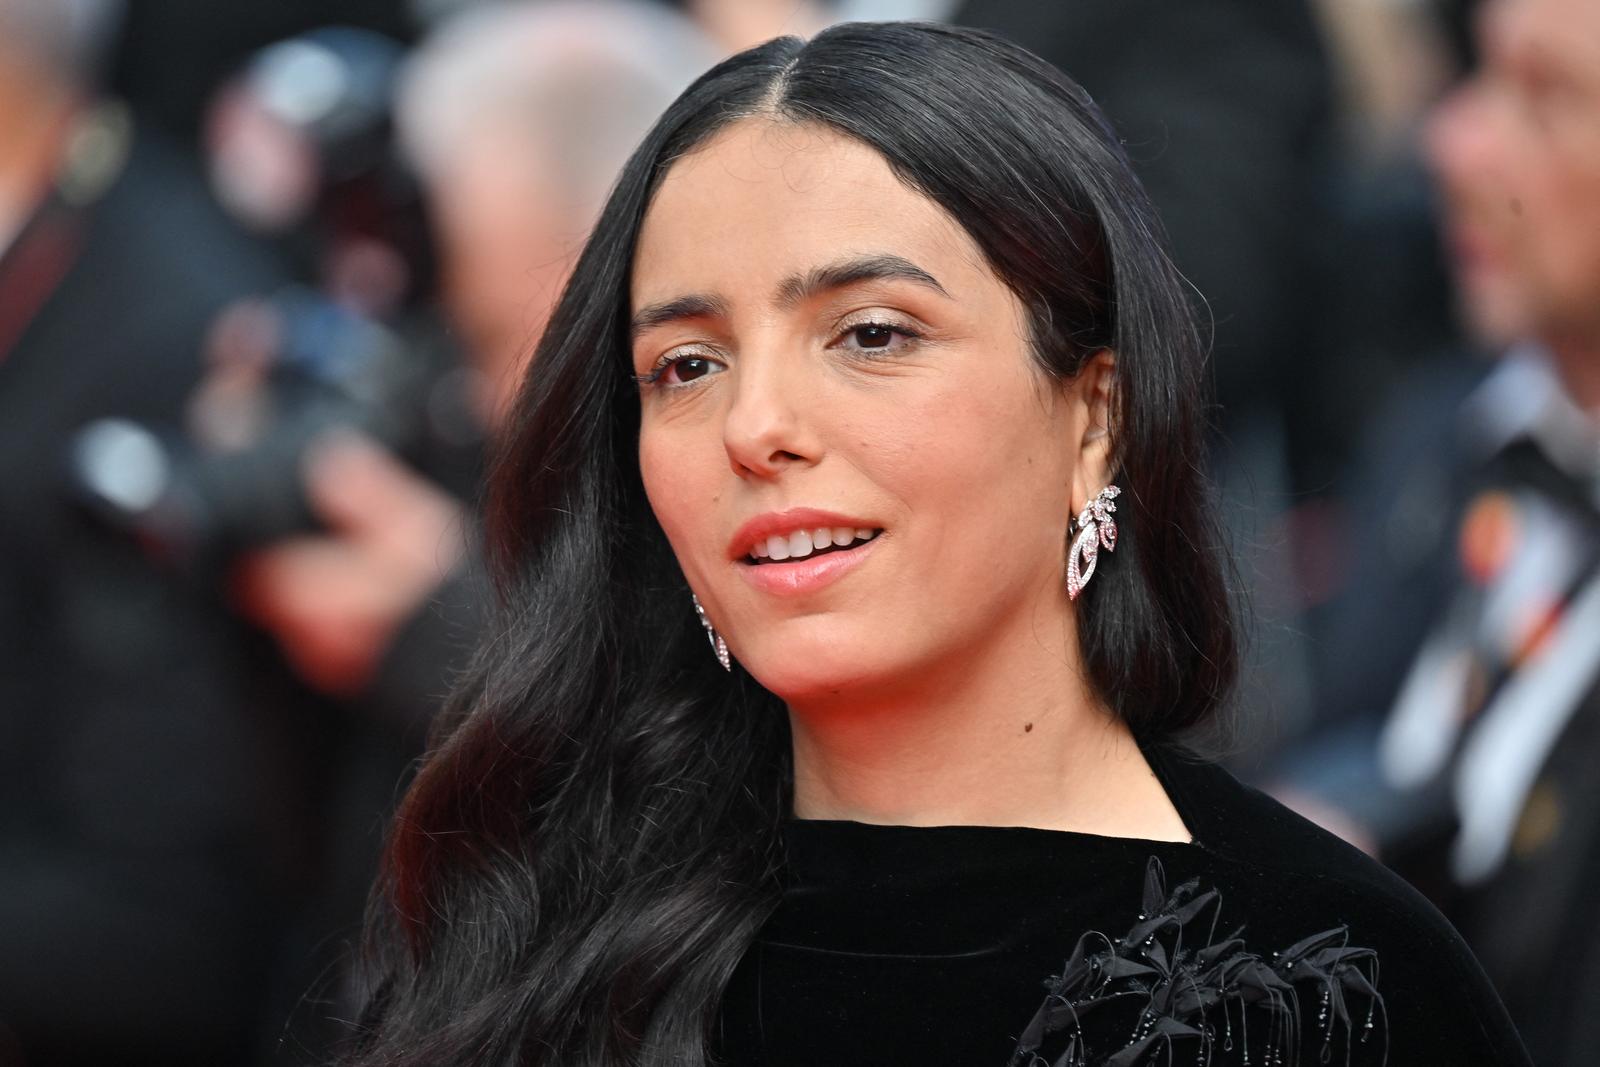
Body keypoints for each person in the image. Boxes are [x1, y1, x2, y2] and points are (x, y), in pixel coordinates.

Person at [343, 22, 1529, 1067]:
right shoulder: (530, 938)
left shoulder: (1327, 979)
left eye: (868, 333)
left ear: (1094, 413)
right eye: (687, 365)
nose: (755, 426)